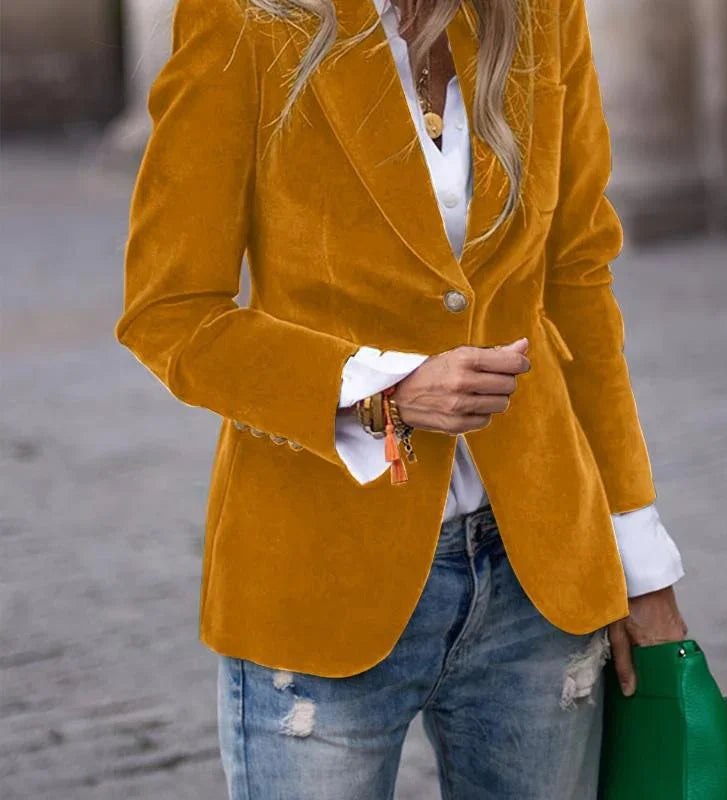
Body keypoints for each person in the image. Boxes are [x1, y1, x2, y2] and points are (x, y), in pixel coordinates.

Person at [115, 0, 688, 795]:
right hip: (320, 574)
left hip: (541, 580)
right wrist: (383, 391)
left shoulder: (542, 13)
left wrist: (642, 567)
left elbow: (578, 280)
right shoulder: (243, 19)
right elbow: (170, 313)